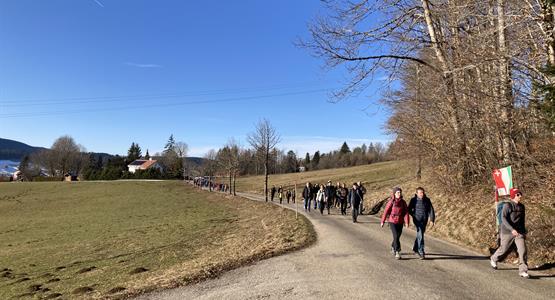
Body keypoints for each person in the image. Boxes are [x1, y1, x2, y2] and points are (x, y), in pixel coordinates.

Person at [490, 188, 529, 278]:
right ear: (513, 196)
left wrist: (523, 231)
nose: (520, 196)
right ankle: (493, 258)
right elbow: (503, 218)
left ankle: (523, 270)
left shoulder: (522, 206)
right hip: (507, 231)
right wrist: (511, 229)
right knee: (504, 249)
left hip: (519, 232)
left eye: (520, 194)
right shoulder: (508, 205)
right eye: (518, 194)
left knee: (523, 250)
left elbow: (522, 220)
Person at [381, 187, 409, 259]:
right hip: (392, 221)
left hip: (400, 221)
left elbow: (406, 213)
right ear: (394, 193)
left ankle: (393, 246)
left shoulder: (403, 202)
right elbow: (386, 211)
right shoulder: (391, 202)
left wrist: (407, 222)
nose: (399, 194)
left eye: (400, 192)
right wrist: (382, 221)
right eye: (398, 192)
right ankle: (397, 251)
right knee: (396, 236)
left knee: (397, 237)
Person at [408, 187, 435, 259]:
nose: (422, 194)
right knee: (420, 234)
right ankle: (421, 251)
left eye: (423, 192)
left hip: (424, 220)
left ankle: (415, 248)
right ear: (416, 193)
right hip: (417, 219)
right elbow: (409, 209)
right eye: (420, 193)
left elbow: (431, 210)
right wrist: (413, 215)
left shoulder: (427, 200)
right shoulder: (413, 200)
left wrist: (432, 220)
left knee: (420, 234)